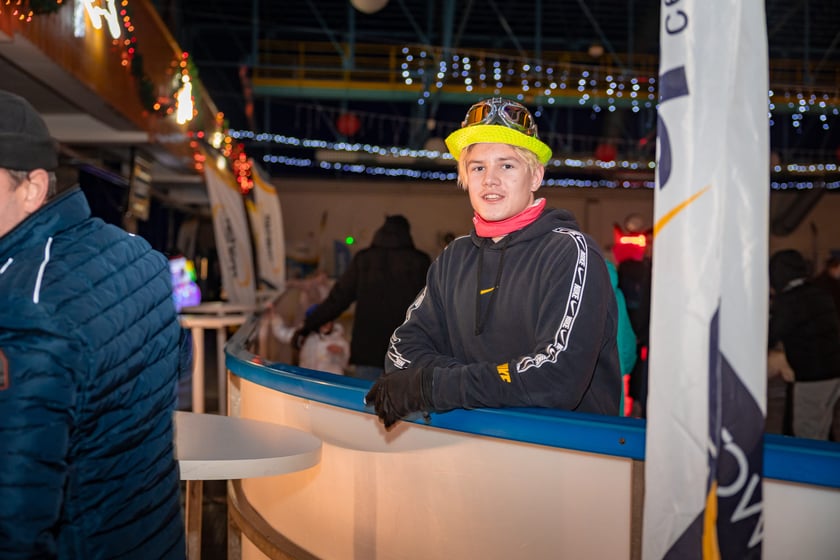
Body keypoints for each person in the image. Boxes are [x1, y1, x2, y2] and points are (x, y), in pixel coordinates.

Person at [0, 90, 187, 558]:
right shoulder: (140, 257)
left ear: (31, 189)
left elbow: (14, 516)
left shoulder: (25, 300)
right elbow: (177, 360)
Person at [365, 97, 621, 428]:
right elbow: (401, 354)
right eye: (478, 167)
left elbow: (557, 378)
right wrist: (476, 383)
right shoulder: (454, 257)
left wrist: (433, 385)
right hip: (474, 444)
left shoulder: (569, 252)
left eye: (507, 166)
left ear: (535, 176)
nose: (490, 180)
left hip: (563, 450)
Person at [292, 214, 431, 380]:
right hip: (403, 351)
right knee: (402, 396)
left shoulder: (364, 259)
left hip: (367, 352)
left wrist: (307, 327)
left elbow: (337, 300)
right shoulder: (420, 262)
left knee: (364, 395)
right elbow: (430, 308)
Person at [768, 249, 840, 440]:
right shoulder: (820, 292)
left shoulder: (789, 301)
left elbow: (772, 334)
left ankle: (816, 461)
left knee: (808, 434)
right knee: (823, 429)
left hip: (812, 376)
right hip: (834, 371)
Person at [273, 305, 350, 375]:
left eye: (328, 320)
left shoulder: (339, 341)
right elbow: (283, 334)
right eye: (321, 321)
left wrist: (341, 352)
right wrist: (274, 317)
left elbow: (346, 364)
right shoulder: (304, 337)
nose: (326, 324)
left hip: (329, 381)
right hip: (306, 379)